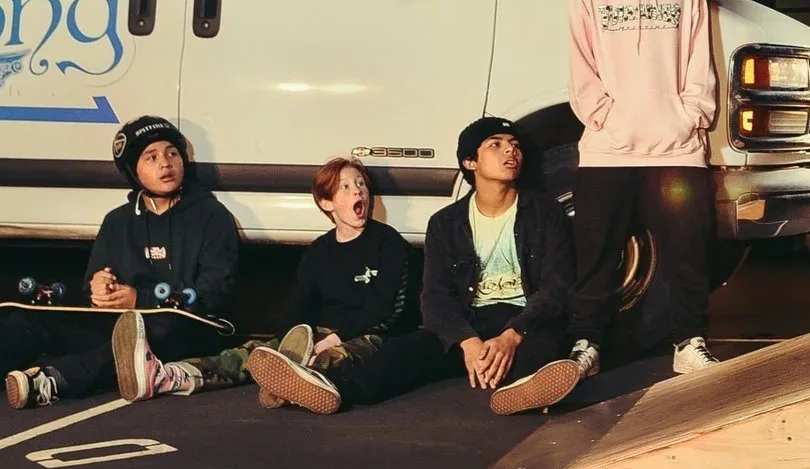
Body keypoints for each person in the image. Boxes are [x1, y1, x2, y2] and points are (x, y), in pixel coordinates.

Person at [248, 117, 583, 416]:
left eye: (514, 146)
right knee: (401, 355)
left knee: (544, 346)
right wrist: (466, 341)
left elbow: (556, 289)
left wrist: (511, 336)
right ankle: (327, 386)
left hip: (521, 318)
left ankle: (526, 391)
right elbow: (435, 299)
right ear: (470, 162)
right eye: (495, 145)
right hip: (470, 321)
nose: (510, 152)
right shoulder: (446, 223)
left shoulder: (544, 213)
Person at [564, 0, 720, 380]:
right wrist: (608, 117)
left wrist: (689, 114)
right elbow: (580, 66)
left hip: (676, 150)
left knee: (688, 253)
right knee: (596, 256)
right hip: (609, 151)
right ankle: (586, 344)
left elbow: (701, 63)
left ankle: (689, 343)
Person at [115, 157, 420, 405]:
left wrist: (330, 341)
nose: (358, 192)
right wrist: (292, 340)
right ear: (327, 203)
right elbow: (298, 306)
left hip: (369, 336)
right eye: (345, 188)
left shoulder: (387, 242)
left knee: (335, 358)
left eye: (361, 185)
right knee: (253, 353)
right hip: (319, 333)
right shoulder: (319, 251)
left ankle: (300, 383)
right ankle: (169, 376)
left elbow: (384, 311)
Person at [3, 116, 237, 410]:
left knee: (143, 336)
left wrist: (141, 298)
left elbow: (214, 294)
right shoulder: (117, 221)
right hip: (120, 324)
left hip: (186, 328)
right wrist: (99, 290)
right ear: (132, 170)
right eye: (151, 157)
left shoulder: (211, 215)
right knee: (30, 319)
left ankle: (51, 381)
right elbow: (91, 291)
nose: (165, 163)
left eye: (172, 153)